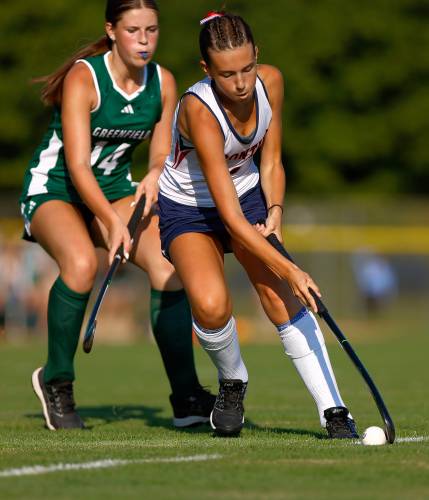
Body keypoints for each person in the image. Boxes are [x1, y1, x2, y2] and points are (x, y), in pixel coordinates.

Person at [157, 11, 359, 438]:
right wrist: (293, 267)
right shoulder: (200, 110)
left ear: (257, 58)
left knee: (282, 297)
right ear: (207, 70)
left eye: (248, 67)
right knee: (211, 305)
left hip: (247, 195)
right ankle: (233, 382)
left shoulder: (272, 83)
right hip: (190, 207)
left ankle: (335, 411)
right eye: (228, 74)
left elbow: (270, 159)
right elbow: (227, 217)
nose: (242, 83)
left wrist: (276, 213)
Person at [19, 0, 215, 431]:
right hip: (56, 188)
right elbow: (77, 167)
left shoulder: (162, 82)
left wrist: (152, 175)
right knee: (83, 264)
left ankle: (186, 396)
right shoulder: (84, 78)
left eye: (152, 30)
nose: (144, 41)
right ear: (111, 30)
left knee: (169, 266)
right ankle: (56, 380)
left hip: (114, 188)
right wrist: (110, 222)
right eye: (133, 31)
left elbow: (161, 149)